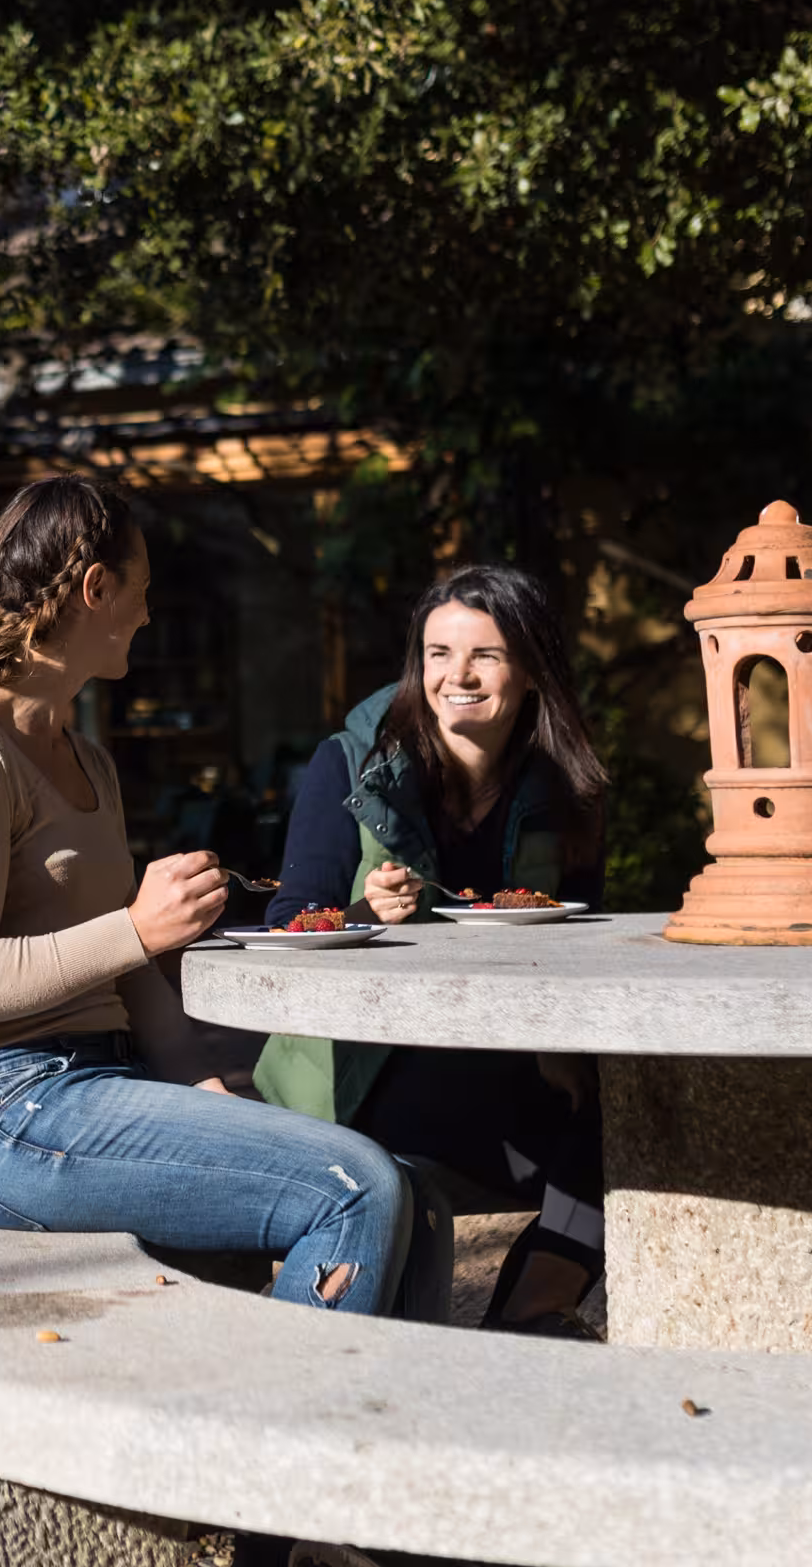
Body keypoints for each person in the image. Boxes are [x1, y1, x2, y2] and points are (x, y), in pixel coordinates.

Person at [0, 475, 412, 1315]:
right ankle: (298, 1435)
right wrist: (136, 927)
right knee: (354, 1187)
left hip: (109, 1084)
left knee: (409, 1196)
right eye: (138, 591)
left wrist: (211, 1097)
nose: (146, 613)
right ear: (95, 589)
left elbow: (134, 986)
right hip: (2, 1109)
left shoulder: (88, 760)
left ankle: (381, 1431)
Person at [250, 564, 610, 1333]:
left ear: (530, 671)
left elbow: (586, 933)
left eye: (486, 653)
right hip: (369, 1069)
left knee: (640, 1122)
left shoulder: (562, 786)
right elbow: (289, 922)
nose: (459, 675)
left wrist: (567, 1047)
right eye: (438, 653)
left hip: (508, 1061)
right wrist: (359, 909)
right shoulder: (353, 764)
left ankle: (526, 1314)